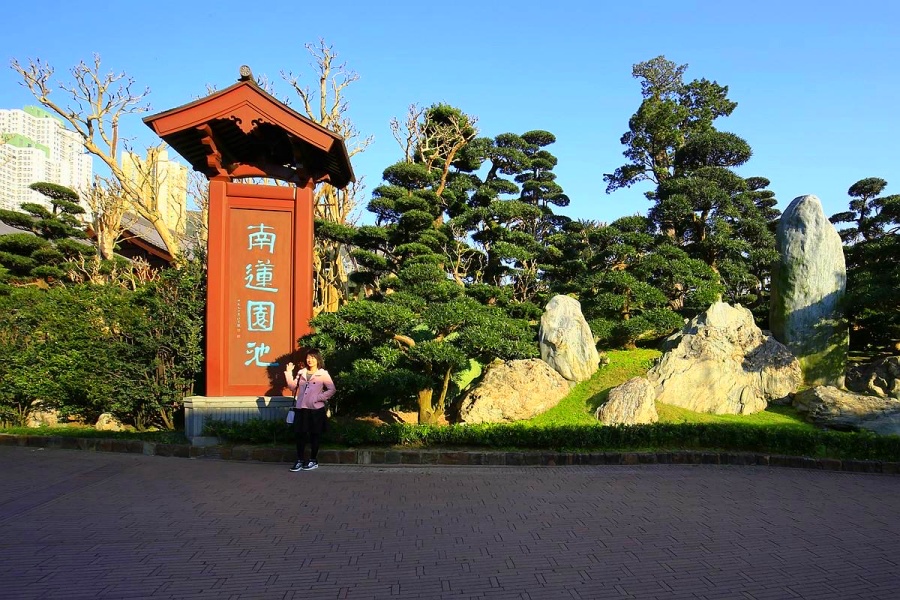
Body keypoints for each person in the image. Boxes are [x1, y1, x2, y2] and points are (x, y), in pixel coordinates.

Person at [283, 350, 335, 472]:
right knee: (300, 435)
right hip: (301, 408)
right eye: (308, 358)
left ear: (318, 360)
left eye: (312, 358)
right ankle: (299, 460)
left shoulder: (323, 374)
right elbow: (292, 386)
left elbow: (331, 389)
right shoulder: (301, 373)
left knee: (314, 435)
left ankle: (313, 460)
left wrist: (318, 398)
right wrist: (289, 372)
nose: (310, 360)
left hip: (315, 409)